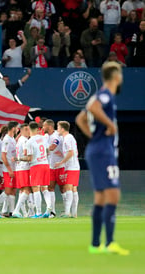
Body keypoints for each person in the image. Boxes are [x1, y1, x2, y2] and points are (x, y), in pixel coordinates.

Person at [76, 61, 130, 255]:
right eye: (120, 74)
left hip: (98, 148)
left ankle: (95, 244)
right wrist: (110, 125)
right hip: (103, 151)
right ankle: (109, 243)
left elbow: (80, 118)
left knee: (100, 197)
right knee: (113, 194)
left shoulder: (103, 94)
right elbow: (93, 108)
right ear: (116, 76)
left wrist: (93, 137)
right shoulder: (105, 94)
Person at [21, 121, 51, 218]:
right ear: (38, 129)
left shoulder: (29, 141)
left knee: (35, 188)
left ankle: (38, 213)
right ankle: (49, 208)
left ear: (29, 129)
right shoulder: (43, 138)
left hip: (36, 166)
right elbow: (48, 151)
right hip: (45, 164)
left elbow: (29, 158)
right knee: (45, 188)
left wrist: (18, 158)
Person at [55, 121, 80, 218]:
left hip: (71, 166)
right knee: (73, 188)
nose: (57, 129)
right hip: (73, 166)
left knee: (68, 187)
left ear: (62, 129)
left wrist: (61, 162)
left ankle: (67, 212)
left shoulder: (68, 138)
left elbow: (71, 152)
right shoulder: (68, 138)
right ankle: (74, 213)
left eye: (58, 127)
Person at [43, 119, 64, 218]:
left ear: (50, 127)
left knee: (63, 188)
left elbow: (52, 147)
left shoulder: (57, 136)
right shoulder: (46, 136)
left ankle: (68, 211)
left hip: (60, 166)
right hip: (50, 166)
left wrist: (41, 150)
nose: (43, 128)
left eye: (44, 126)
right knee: (50, 187)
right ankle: (52, 211)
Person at [11, 123, 31, 218]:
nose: (29, 131)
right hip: (25, 167)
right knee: (27, 189)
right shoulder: (25, 141)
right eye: (27, 129)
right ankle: (17, 210)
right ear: (22, 130)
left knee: (23, 190)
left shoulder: (19, 140)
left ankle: (25, 213)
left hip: (19, 167)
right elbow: (26, 153)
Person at [1, 121, 19, 217]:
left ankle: (11, 212)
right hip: (8, 170)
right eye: (17, 128)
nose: (18, 129)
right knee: (7, 191)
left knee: (13, 191)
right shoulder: (6, 139)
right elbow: (3, 155)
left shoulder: (12, 139)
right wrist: (9, 169)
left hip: (14, 168)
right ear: (13, 128)